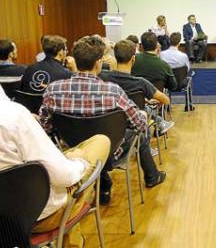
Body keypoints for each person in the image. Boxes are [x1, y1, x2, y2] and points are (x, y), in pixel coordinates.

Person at [39, 35, 166, 206]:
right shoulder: (113, 92)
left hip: (73, 148)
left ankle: (104, 185)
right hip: (111, 152)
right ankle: (152, 177)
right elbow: (139, 125)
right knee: (140, 135)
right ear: (99, 62)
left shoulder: (53, 90)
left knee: (94, 133)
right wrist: (142, 115)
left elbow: (45, 126)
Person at [0, 93, 110, 248]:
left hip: (7, 218)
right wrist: (80, 163)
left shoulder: (51, 92)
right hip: (38, 217)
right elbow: (64, 177)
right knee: (100, 142)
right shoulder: (14, 116)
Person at [100, 39, 175, 134]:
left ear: (115, 57)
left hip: (109, 125)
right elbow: (166, 100)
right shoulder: (141, 83)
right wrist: (146, 100)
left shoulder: (102, 76)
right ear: (133, 59)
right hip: (134, 125)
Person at [160, 32, 194, 111]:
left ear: (169, 41)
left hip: (166, 83)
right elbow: (187, 69)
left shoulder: (162, 54)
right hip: (180, 83)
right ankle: (189, 105)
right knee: (190, 79)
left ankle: (167, 106)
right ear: (179, 43)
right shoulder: (183, 56)